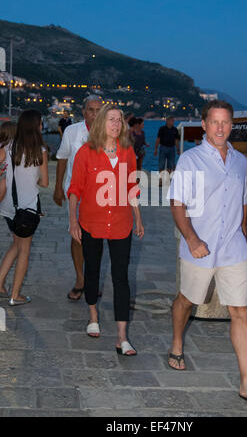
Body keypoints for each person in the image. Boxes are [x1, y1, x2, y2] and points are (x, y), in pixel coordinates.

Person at [167, 99, 247, 408]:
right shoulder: (190, 159)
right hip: (199, 247)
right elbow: (177, 203)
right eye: (214, 122)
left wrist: (242, 230)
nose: (220, 128)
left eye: (225, 122)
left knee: (240, 311)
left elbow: (244, 199)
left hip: (233, 250)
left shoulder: (240, 161)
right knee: (186, 301)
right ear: (204, 125)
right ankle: (177, 343)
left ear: (231, 125)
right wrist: (191, 239)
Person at [67, 104, 144, 354]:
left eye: (119, 120)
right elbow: (75, 189)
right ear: (101, 122)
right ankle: (92, 316)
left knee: (121, 277)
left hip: (121, 223)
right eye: (111, 119)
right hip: (91, 222)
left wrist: (139, 219)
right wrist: (72, 221)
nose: (116, 124)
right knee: (92, 271)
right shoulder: (85, 152)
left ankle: (122, 336)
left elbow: (132, 187)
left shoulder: (127, 152)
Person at [53, 96, 103, 301]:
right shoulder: (72, 132)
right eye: (91, 109)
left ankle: (92, 280)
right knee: (77, 237)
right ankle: (80, 279)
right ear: (83, 112)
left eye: (98, 110)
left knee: (96, 239)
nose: (94, 114)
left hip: (101, 195)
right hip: (76, 193)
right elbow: (62, 158)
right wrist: (57, 188)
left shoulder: (111, 132)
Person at [0, 110, 48, 304]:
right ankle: (15, 295)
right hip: (27, 208)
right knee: (24, 251)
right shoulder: (40, 151)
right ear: (36, 126)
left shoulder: (9, 146)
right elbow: (44, 182)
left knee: (16, 245)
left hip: (8, 208)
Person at [154, 116, 180, 183]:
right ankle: (161, 179)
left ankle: (167, 178)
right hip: (163, 147)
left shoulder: (175, 130)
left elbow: (176, 140)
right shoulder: (162, 129)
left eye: (173, 121)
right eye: (172, 121)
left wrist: (178, 149)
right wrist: (156, 149)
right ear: (167, 121)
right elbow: (158, 139)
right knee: (161, 164)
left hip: (172, 148)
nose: (173, 122)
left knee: (170, 165)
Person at [0, 121, 17, 202]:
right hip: (3, 168)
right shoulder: (5, 145)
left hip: (3, 168)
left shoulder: (3, 144)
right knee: (3, 184)